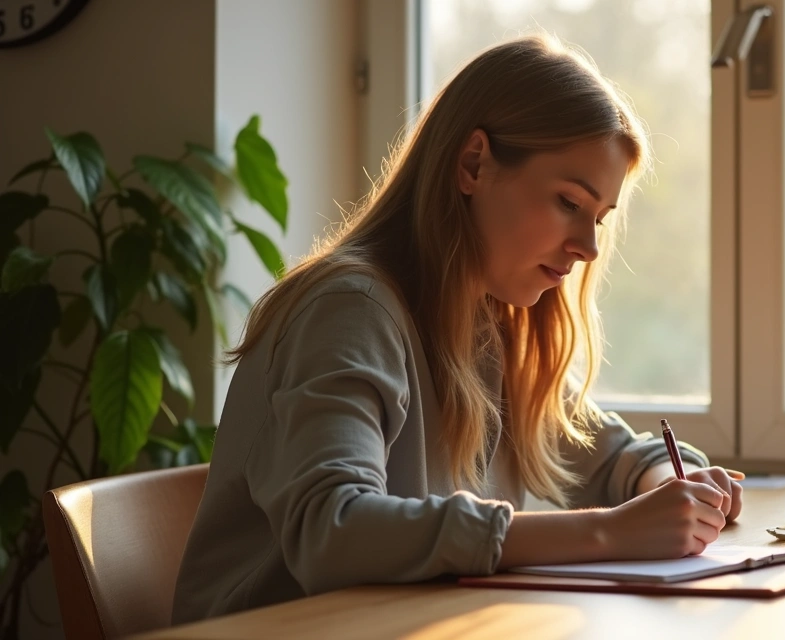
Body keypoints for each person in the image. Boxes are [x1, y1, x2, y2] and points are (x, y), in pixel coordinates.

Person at [171, 33, 744, 624]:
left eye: (599, 218)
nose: (589, 247)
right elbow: (333, 529)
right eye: (569, 202)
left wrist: (668, 483)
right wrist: (606, 533)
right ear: (473, 164)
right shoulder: (350, 308)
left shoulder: (490, 322)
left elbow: (601, 453)